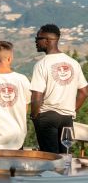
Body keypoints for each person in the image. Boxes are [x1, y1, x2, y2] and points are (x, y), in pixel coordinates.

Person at [30, 24, 88, 153]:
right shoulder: (74, 63)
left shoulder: (41, 64)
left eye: (37, 38)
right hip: (67, 118)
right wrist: (72, 110)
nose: (35, 42)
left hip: (46, 117)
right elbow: (84, 92)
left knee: (50, 160)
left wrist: (34, 116)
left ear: (47, 40)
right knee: (64, 158)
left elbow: (36, 97)